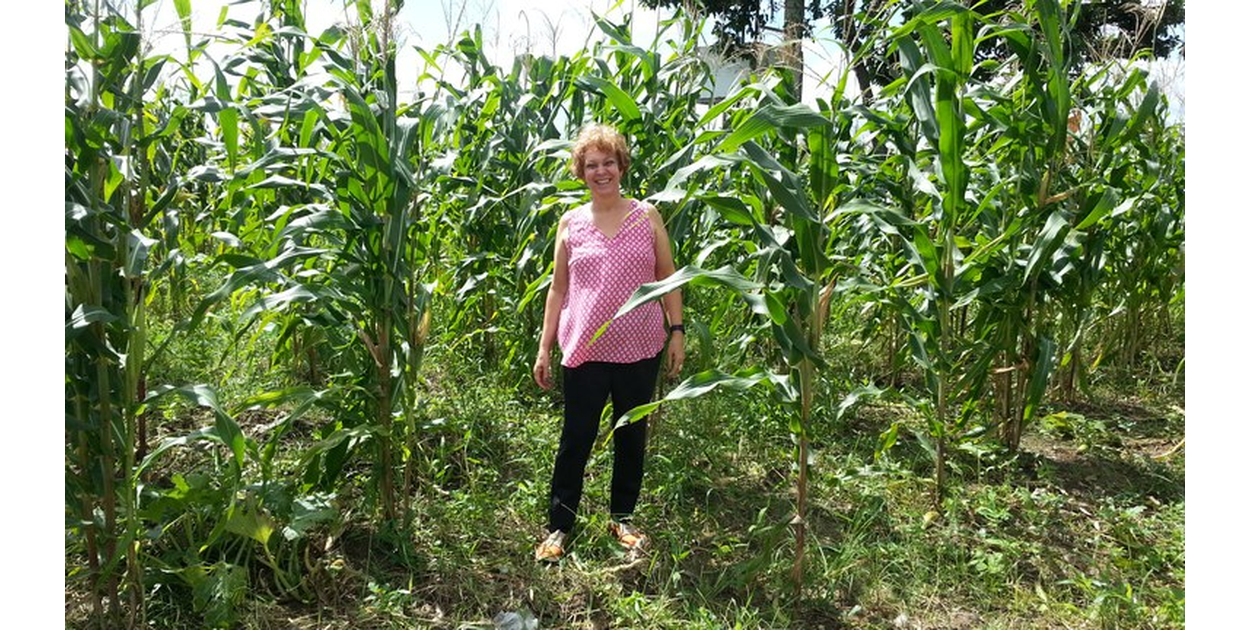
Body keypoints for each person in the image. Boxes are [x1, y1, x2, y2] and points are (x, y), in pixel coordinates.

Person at [532, 123, 685, 562]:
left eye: (609, 163)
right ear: (581, 172)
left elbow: (667, 275)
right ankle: (559, 527)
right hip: (584, 348)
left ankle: (622, 517)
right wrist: (545, 346)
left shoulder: (646, 215)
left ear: (622, 166)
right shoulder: (571, 223)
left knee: (631, 435)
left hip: (641, 347)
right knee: (576, 438)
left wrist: (677, 331)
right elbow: (558, 289)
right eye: (592, 165)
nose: (602, 171)